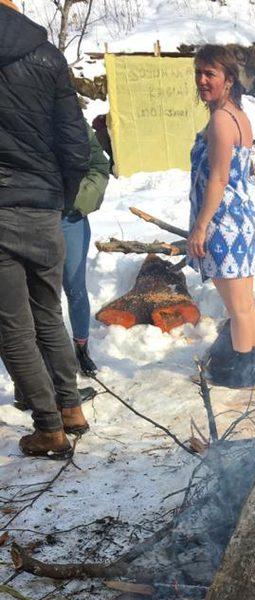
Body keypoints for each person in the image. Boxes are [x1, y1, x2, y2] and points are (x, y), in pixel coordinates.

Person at [0, 0, 90, 458]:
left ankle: (49, 428)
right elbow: (75, 142)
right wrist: (62, 198)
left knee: (12, 329)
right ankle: (71, 408)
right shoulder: (48, 55)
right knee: (49, 312)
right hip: (44, 206)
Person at [188, 44, 255, 389]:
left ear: (228, 80)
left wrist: (200, 227)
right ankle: (254, 369)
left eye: (209, 73)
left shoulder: (221, 121)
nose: (202, 80)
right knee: (245, 304)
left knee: (238, 308)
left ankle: (244, 376)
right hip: (239, 219)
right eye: (198, 72)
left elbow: (219, 178)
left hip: (225, 222)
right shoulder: (236, 113)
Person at [63, 122, 111, 376]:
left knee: (75, 287)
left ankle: (81, 348)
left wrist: (82, 199)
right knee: (33, 295)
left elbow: (100, 165)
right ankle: (36, 366)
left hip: (69, 218)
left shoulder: (71, 118)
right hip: (27, 218)